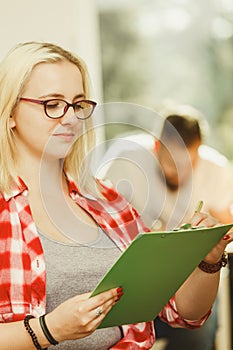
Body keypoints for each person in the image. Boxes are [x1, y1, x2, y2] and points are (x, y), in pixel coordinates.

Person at [0, 41, 232, 350]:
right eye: (52, 104)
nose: (70, 118)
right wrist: (49, 329)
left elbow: (179, 311)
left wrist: (208, 262)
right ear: (10, 111)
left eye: (78, 104)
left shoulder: (106, 200)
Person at [97, 108, 233, 349]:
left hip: (191, 274)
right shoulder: (125, 163)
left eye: (188, 163)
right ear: (156, 147)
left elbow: (227, 226)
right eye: (172, 162)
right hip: (139, 275)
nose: (179, 172)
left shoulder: (216, 169)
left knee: (199, 330)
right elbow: (103, 227)